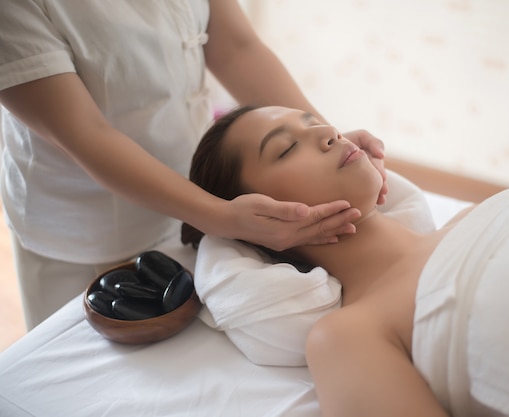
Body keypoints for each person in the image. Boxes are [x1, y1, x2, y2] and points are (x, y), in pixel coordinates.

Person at [181, 105, 509, 417]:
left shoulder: (479, 213)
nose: (328, 133)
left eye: (314, 121)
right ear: (258, 217)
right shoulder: (346, 338)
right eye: (284, 148)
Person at [0, 0, 387, 330]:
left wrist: (333, 137)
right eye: (285, 149)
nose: (329, 138)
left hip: (200, 193)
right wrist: (216, 215)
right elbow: (84, 133)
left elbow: (238, 48)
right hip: (83, 220)